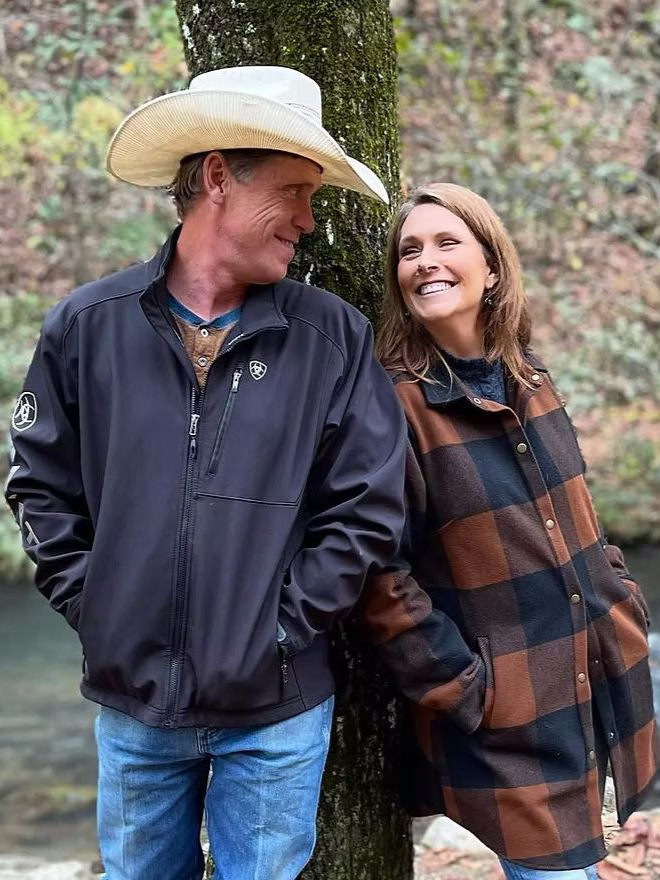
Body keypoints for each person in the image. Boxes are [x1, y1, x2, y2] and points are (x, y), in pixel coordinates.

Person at [5, 66, 406, 880]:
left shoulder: (334, 337)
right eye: (295, 192)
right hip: (134, 708)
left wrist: (284, 631)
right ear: (218, 176)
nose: (308, 220)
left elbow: (368, 505)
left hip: (277, 711)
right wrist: (102, 609)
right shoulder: (87, 327)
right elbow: (38, 485)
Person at [362, 182, 660, 879]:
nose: (425, 262)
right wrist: (463, 687)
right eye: (409, 251)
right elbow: (377, 572)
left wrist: (619, 594)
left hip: (588, 678)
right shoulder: (395, 405)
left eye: (446, 243)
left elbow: (578, 516)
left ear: (491, 265)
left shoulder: (529, 378)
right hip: (503, 713)